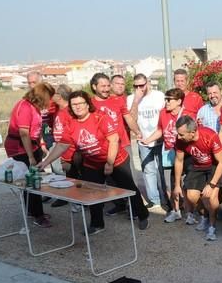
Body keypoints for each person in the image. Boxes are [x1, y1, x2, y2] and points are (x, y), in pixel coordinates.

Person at [38, 91, 149, 232]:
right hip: (92, 163)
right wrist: (46, 162)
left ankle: (142, 215)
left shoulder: (100, 118)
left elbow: (114, 140)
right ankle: (97, 224)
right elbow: (62, 145)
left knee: (129, 188)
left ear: (87, 104)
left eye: (81, 103)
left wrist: (109, 163)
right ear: (70, 107)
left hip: (115, 160)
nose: (78, 107)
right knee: (92, 193)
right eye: (74, 104)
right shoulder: (71, 123)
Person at [4, 82, 55, 227]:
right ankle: (37, 215)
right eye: (49, 97)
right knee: (32, 181)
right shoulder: (25, 107)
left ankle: (32, 210)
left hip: (31, 146)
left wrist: (41, 145)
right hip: (21, 148)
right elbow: (24, 133)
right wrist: (31, 156)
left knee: (31, 180)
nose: (50, 101)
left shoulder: (33, 106)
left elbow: (36, 129)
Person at [89, 73, 140, 215]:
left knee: (129, 180)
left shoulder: (117, 100)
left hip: (123, 144)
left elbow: (128, 117)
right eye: (103, 86)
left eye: (107, 86)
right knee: (110, 180)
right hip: (103, 149)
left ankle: (136, 209)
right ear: (94, 87)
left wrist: (137, 131)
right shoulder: (90, 104)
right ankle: (120, 204)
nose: (106, 89)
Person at [172, 115, 222, 241]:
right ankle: (205, 216)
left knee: (210, 198)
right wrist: (177, 185)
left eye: (181, 134)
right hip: (197, 166)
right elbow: (179, 161)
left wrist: (212, 184)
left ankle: (212, 227)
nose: (178, 137)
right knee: (191, 196)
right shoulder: (180, 140)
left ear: (192, 132)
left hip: (213, 165)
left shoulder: (210, 135)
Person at [139, 89, 185, 223]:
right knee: (168, 185)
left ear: (178, 101)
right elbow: (160, 130)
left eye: (169, 99)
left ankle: (189, 210)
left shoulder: (187, 114)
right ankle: (175, 210)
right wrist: (148, 140)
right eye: (165, 99)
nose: (166, 102)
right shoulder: (163, 113)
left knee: (184, 184)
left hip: (184, 155)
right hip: (168, 152)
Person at [129, 73, 166, 209]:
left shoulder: (159, 96)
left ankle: (165, 198)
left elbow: (165, 114)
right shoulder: (131, 99)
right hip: (143, 140)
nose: (140, 88)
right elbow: (131, 119)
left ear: (148, 83)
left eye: (142, 85)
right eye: (136, 86)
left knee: (162, 170)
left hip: (159, 138)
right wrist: (136, 101)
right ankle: (154, 199)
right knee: (148, 170)